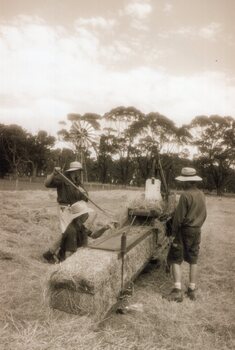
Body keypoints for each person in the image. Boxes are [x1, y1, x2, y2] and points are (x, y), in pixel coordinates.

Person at [166, 167, 207, 302]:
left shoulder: (185, 195)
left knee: (174, 258)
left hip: (184, 230)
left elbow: (178, 218)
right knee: (193, 259)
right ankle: (192, 289)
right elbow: (204, 215)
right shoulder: (201, 194)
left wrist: (173, 234)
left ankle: (177, 291)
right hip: (197, 230)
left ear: (186, 181)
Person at [43, 161, 93, 262]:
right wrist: (53, 173)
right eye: (77, 171)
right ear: (72, 171)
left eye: (80, 172)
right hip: (64, 208)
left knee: (70, 232)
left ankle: (53, 253)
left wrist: (84, 193)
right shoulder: (62, 178)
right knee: (67, 231)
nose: (79, 174)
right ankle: (54, 253)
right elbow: (47, 183)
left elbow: (86, 198)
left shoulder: (78, 183)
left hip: (76, 210)